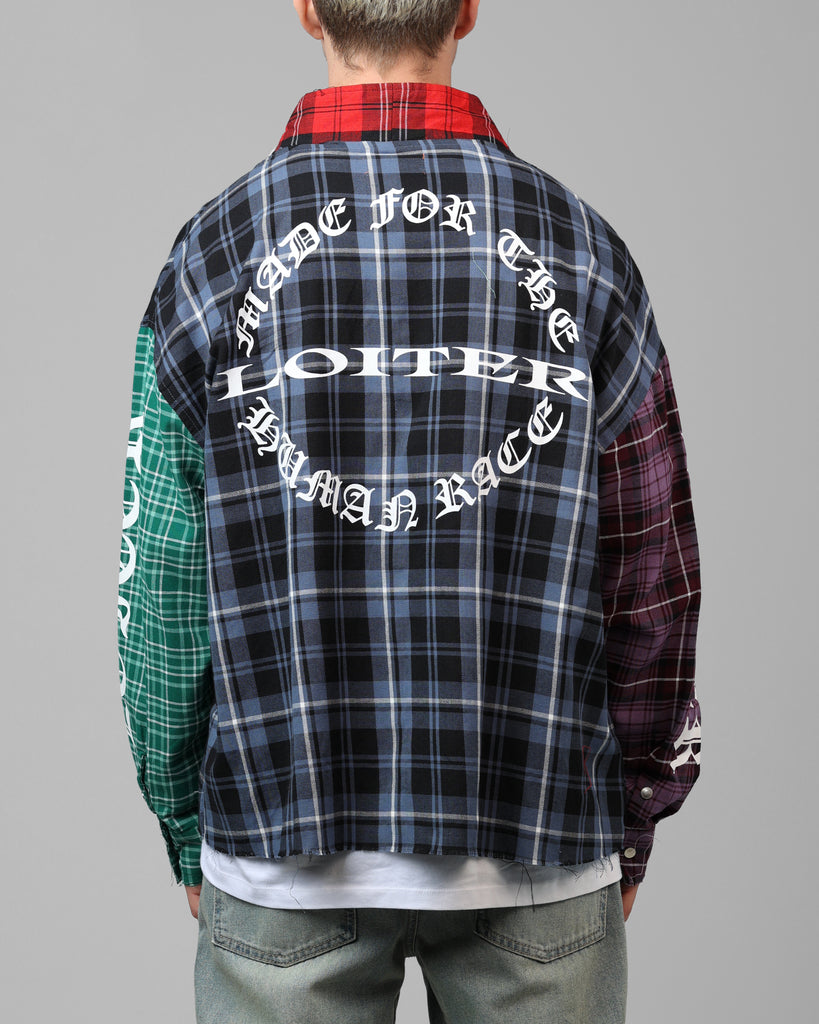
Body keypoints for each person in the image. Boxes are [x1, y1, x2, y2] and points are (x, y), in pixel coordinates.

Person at [117, 1, 701, 1021]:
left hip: (282, 849)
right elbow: (653, 581)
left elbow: (161, 595)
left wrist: (184, 823)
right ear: (467, 8)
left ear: (308, 8)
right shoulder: (585, 252)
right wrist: (634, 815)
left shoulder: (212, 254)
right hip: (540, 843)